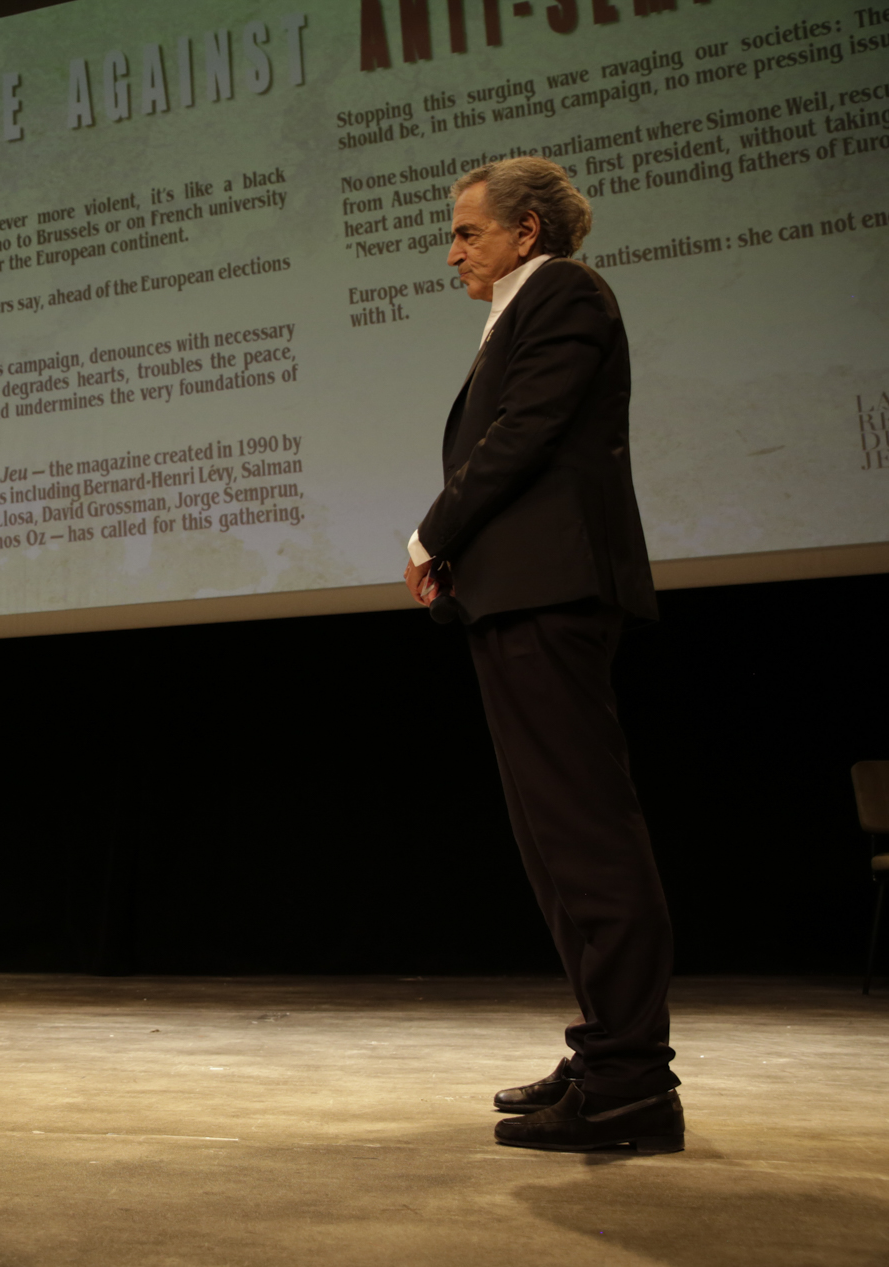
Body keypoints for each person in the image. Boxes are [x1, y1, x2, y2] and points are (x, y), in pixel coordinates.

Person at [405, 158, 683, 1154]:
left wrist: (432, 532)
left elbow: (524, 433)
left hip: (551, 592)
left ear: (525, 231)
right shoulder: (524, 303)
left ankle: (631, 1083)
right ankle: (607, 1052)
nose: (452, 251)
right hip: (518, 595)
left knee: (584, 836)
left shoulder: (563, 291)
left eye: (467, 233)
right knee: (552, 844)